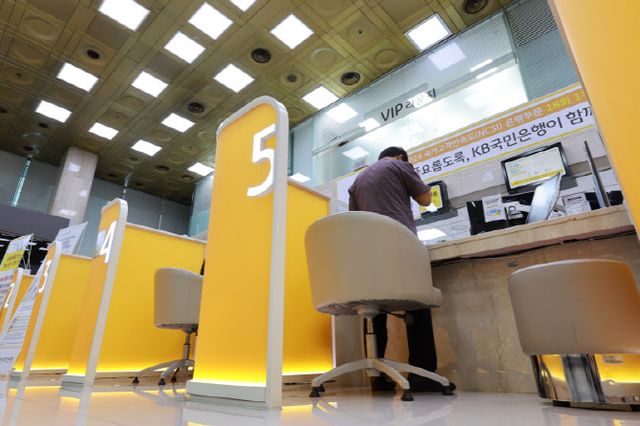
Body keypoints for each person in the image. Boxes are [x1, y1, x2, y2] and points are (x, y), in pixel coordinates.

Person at [348, 146, 453, 393]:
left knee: (375, 305)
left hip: (369, 253)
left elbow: (354, 220)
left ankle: (378, 376)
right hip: (399, 244)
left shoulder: (358, 180)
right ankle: (423, 375)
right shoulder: (400, 165)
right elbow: (426, 200)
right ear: (400, 157)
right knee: (418, 301)